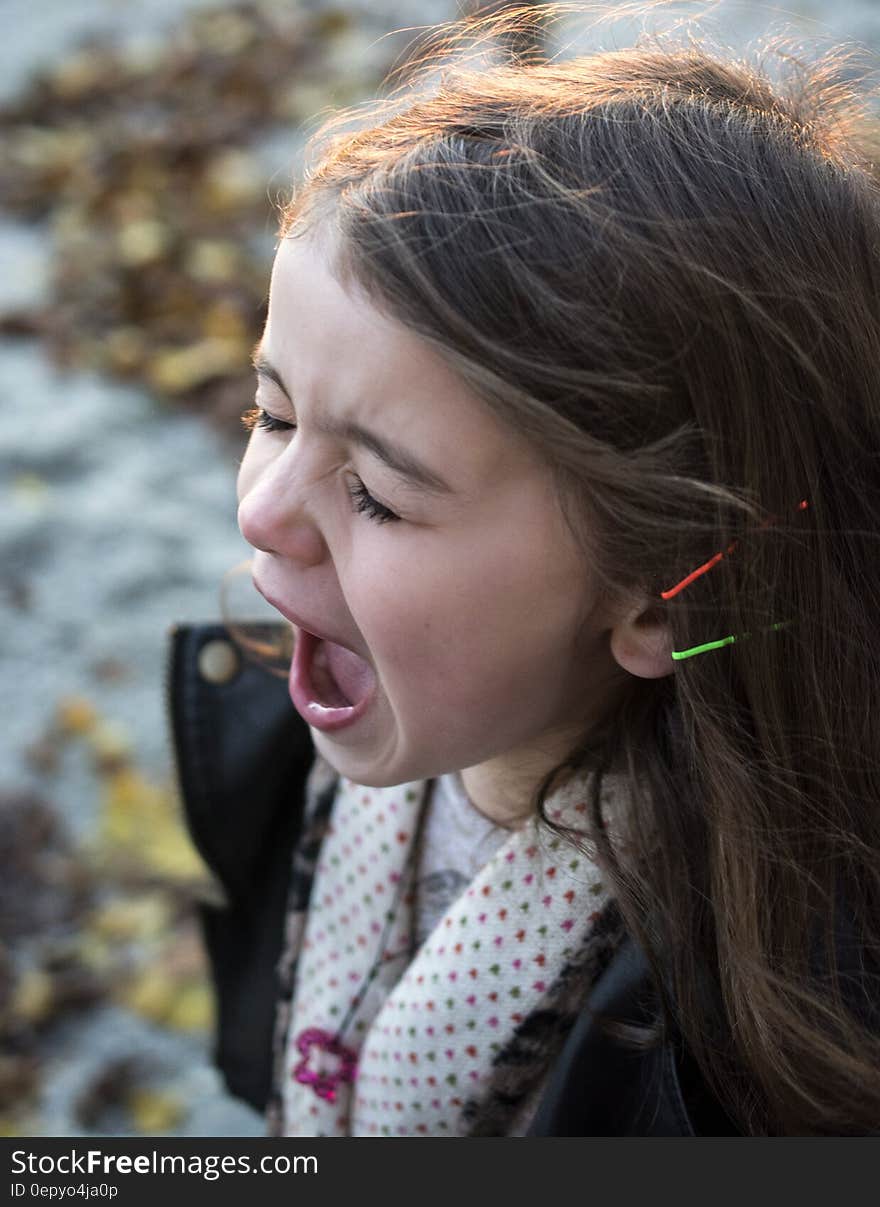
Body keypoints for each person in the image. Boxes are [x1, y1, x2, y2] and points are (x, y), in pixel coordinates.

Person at [169, 3, 880, 1136]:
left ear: (659, 593)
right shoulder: (277, 739)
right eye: (269, 411)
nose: (260, 512)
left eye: (375, 495)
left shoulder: (755, 1067)